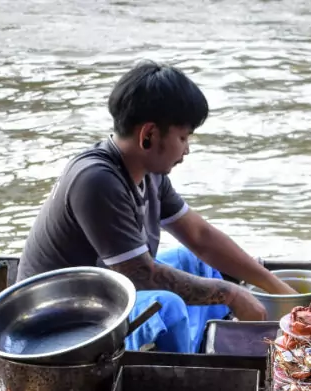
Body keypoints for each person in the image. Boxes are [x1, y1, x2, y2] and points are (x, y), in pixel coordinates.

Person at [16, 61, 295, 352]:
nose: (187, 149)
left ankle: (201, 340)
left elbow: (200, 236)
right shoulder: (97, 180)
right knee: (169, 305)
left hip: (103, 291)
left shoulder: (149, 174)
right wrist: (232, 294)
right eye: (183, 137)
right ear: (148, 135)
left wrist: (275, 287)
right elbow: (140, 275)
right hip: (58, 323)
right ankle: (189, 374)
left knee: (195, 260)